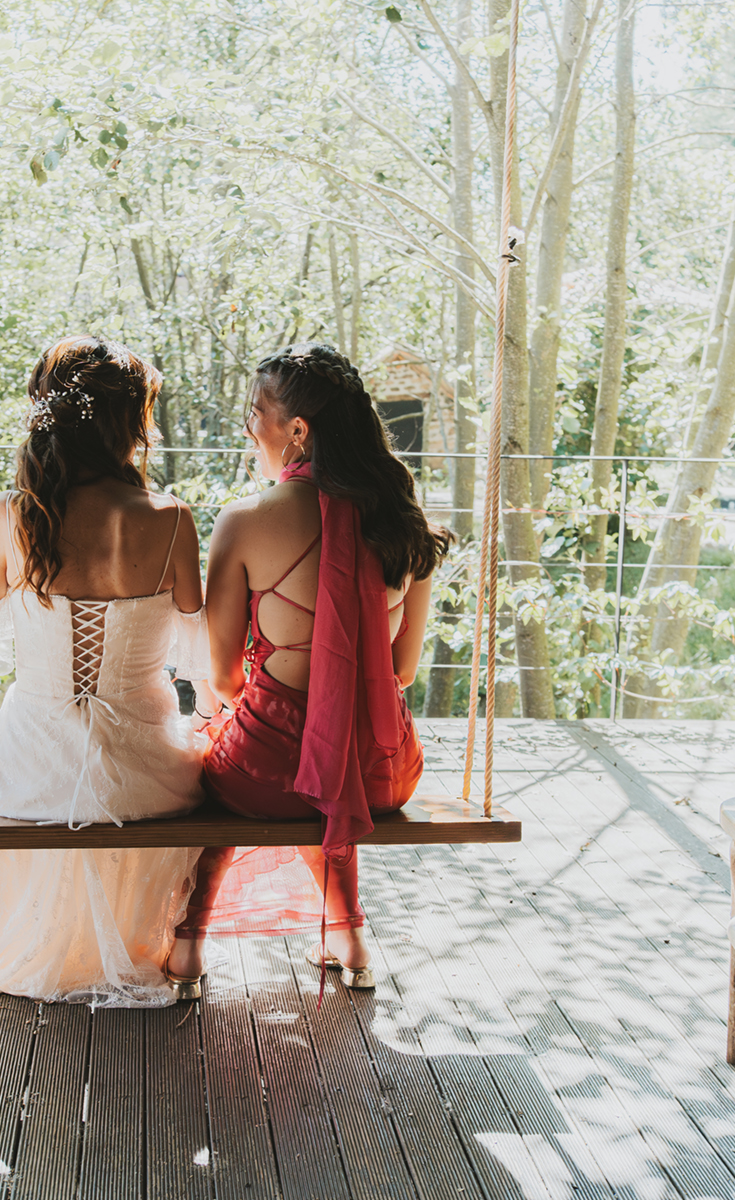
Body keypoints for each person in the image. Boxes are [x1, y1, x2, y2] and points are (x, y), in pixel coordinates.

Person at [0, 335, 209, 1007]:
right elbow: (202, 660)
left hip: (30, 779)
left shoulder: (13, 517)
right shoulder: (173, 521)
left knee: (16, 778)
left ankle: (43, 948)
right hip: (146, 782)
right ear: (128, 426)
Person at [165, 344, 451, 994]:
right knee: (329, 771)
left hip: (268, 771)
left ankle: (188, 946)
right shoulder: (406, 524)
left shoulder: (244, 522)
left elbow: (225, 680)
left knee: (226, 765)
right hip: (385, 768)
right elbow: (402, 672)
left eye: (255, 411)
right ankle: (346, 933)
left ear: (298, 431)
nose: (247, 427)